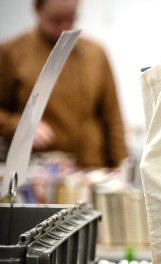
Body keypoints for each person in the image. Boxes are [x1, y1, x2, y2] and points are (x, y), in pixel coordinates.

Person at [0, 0, 127, 168]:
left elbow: (112, 116)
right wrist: (20, 126)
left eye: (71, 18)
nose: (65, 27)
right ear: (37, 10)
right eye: (56, 20)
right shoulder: (11, 52)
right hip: (40, 174)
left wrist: (121, 165)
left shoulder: (96, 53)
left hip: (92, 169)